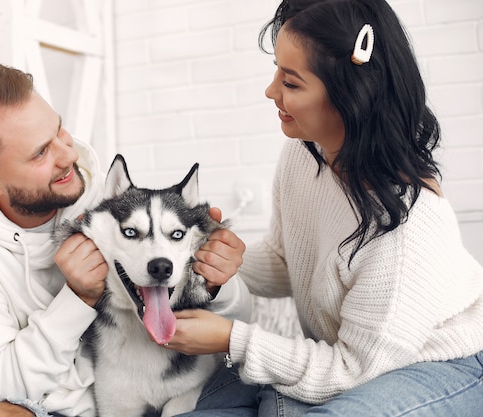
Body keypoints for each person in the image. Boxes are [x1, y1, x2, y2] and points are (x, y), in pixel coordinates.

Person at [165, 0, 483, 416]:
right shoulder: (304, 154)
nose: (270, 90)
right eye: (276, 70)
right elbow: (287, 261)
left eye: (291, 83)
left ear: (351, 97)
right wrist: (223, 258)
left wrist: (233, 340)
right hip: (347, 358)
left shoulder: (406, 227)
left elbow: (352, 371)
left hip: (440, 363)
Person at [0, 64, 258, 417]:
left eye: (59, 130)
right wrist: (77, 298)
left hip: (173, 388)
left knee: (252, 387)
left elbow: (235, 325)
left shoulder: (103, 197)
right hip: (52, 408)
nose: (68, 156)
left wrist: (215, 280)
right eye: (40, 153)